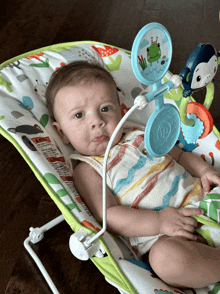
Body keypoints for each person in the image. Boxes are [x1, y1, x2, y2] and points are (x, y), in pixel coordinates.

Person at [46, 60, 220, 289]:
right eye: (79, 116)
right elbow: (109, 216)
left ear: (121, 110)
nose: (97, 121)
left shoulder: (139, 134)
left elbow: (178, 155)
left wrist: (205, 171)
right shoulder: (86, 170)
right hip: (171, 239)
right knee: (166, 260)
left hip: (207, 202)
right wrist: (159, 222)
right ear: (61, 132)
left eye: (105, 109)